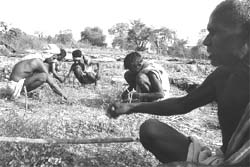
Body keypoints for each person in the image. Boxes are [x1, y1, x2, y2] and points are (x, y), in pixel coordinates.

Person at [107, 0, 250, 166]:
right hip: (225, 160)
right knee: (151, 129)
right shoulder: (223, 76)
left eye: (214, 32)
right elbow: (182, 104)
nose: (206, 41)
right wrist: (131, 107)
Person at [3, 58, 67, 100]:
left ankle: (20, 93)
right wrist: (65, 96)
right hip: (14, 87)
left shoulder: (32, 63)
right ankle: (20, 93)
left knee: (44, 76)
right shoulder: (38, 62)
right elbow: (52, 84)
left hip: (10, 86)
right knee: (44, 76)